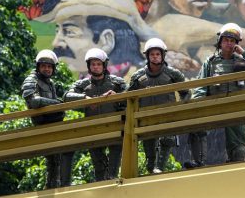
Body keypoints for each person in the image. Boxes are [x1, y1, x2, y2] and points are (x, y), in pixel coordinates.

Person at [193, 23, 245, 162]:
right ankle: (199, 163)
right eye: (226, 40)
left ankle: (236, 167)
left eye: (232, 41)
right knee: (201, 134)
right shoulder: (211, 62)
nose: (229, 43)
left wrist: (243, 53)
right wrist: (198, 104)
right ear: (220, 42)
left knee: (237, 145)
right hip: (214, 107)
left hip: (236, 108)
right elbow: (201, 85)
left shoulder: (242, 62)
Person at [128, 38, 191, 173]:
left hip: (167, 115)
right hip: (146, 117)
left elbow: (186, 93)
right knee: (149, 146)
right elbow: (129, 97)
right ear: (147, 56)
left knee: (167, 139)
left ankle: (159, 168)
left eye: (157, 54)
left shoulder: (173, 74)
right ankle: (151, 168)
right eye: (152, 54)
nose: (155, 57)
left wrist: (180, 108)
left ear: (162, 55)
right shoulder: (138, 76)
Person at [63, 48, 127, 181]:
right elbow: (66, 95)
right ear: (89, 66)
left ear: (104, 65)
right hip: (93, 130)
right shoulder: (83, 84)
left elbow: (131, 93)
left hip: (115, 127)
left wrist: (117, 95)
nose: (96, 67)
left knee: (113, 171)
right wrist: (85, 98)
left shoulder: (117, 82)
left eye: (98, 64)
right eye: (93, 64)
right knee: (99, 169)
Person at [21, 49, 74, 188]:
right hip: (43, 125)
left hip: (53, 125)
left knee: (58, 159)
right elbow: (32, 101)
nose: (47, 69)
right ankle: (52, 187)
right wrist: (56, 103)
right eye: (44, 66)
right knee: (53, 159)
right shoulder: (31, 80)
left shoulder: (49, 83)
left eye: (50, 66)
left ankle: (55, 186)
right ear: (38, 67)